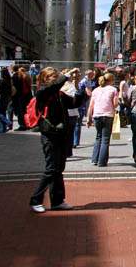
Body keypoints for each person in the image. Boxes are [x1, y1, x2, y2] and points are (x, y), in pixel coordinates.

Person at [29, 68, 73, 213]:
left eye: (56, 77)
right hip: (49, 135)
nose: (55, 79)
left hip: (60, 134)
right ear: (45, 79)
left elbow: (73, 103)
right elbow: (53, 87)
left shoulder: (58, 94)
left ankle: (57, 201)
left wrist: (82, 90)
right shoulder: (42, 92)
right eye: (52, 77)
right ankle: (36, 199)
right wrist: (64, 77)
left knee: (59, 169)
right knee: (51, 169)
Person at [86, 73, 118, 167]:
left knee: (98, 137)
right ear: (111, 80)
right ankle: (102, 161)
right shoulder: (113, 89)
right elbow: (115, 104)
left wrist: (89, 118)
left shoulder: (96, 90)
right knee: (105, 139)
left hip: (97, 115)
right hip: (108, 115)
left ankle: (94, 159)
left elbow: (91, 105)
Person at [60, 69, 80, 157]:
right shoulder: (70, 86)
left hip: (67, 112)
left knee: (65, 134)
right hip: (71, 112)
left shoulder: (60, 87)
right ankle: (67, 152)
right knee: (69, 133)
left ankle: (66, 151)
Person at [74, 70, 96, 147]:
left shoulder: (87, 80)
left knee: (76, 123)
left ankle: (75, 141)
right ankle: (75, 142)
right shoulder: (85, 81)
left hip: (80, 103)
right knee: (77, 123)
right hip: (80, 104)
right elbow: (88, 92)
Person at [0, 67, 14, 133]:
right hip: (8, 97)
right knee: (3, 112)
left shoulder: (2, 80)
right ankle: (2, 129)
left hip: (2, 97)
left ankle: (8, 122)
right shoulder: (9, 79)